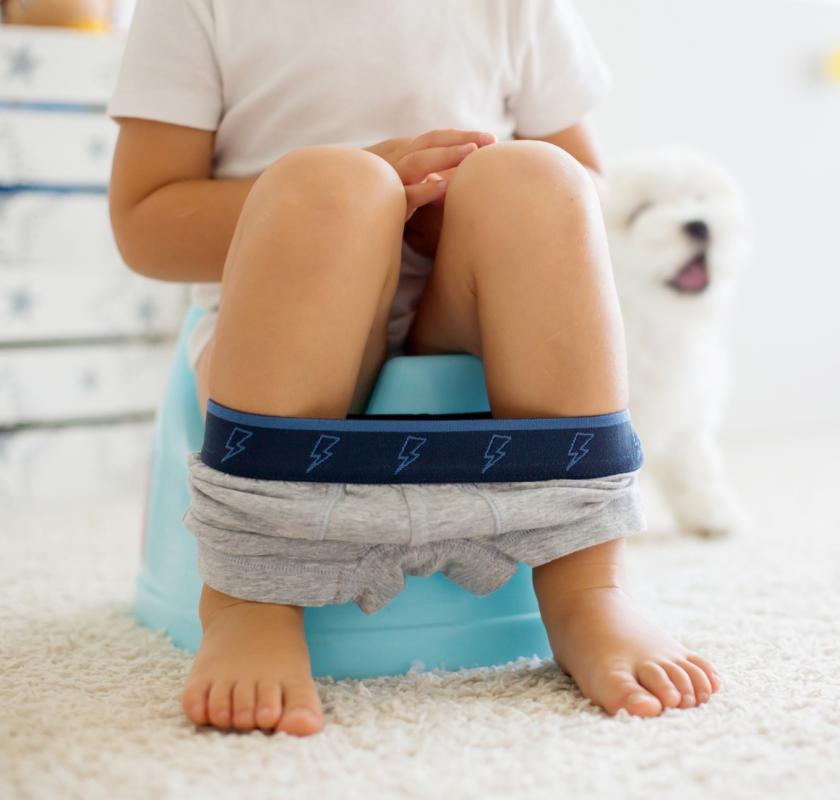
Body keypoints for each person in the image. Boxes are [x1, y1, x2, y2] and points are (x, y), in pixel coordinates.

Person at [108, 0, 719, 736]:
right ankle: (251, 598)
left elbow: (591, 187)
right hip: (277, 333)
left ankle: (586, 583)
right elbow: (145, 223)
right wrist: (373, 183)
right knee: (328, 184)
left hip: (464, 313)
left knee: (540, 178)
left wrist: (457, 202)